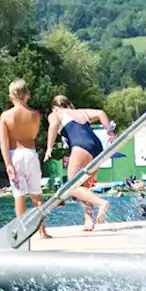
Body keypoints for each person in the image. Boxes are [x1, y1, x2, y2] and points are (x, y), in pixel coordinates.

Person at [45, 95, 113, 231]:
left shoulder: (56, 113)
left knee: (72, 185)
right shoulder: (80, 112)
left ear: (54, 107)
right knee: (84, 187)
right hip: (97, 147)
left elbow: (53, 126)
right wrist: (110, 133)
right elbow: (101, 113)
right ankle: (88, 220)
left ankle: (101, 203)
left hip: (81, 146)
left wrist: (49, 148)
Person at [0, 79, 51, 239]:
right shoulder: (35, 115)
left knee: (19, 195)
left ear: (11, 95)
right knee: (37, 195)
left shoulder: (6, 116)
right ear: (27, 95)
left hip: (15, 155)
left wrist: (7, 163)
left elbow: (4, 142)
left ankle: (21, 232)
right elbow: (33, 135)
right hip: (31, 154)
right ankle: (42, 231)